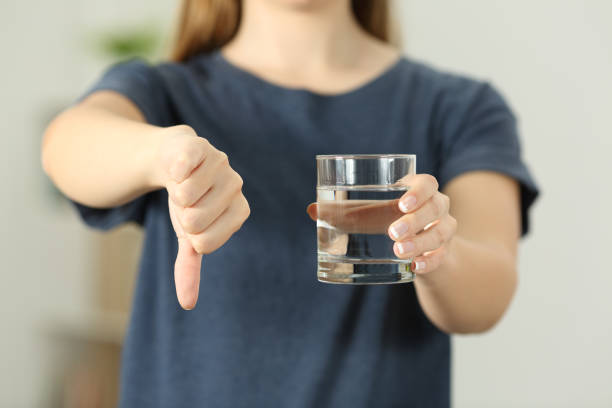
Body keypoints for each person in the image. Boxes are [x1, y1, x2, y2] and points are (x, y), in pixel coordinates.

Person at [41, 0, 539, 406]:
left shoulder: (460, 108)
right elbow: (67, 145)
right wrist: (166, 156)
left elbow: (488, 292)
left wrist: (437, 250)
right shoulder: (164, 93)